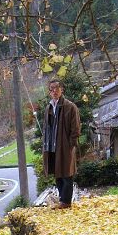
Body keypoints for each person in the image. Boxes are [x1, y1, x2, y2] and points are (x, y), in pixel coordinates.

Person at [42, 79, 81, 209]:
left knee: (67, 174)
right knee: (57, 173)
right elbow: (47, 128)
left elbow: (75, 129)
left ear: (61, 89)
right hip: (52, 146)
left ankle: (66, 202)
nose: (54, 91)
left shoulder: (70, 107)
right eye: (51, 89)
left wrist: (71, 145)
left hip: (65, 146)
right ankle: (62, 200)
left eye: (56, 88)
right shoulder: (49, 107)